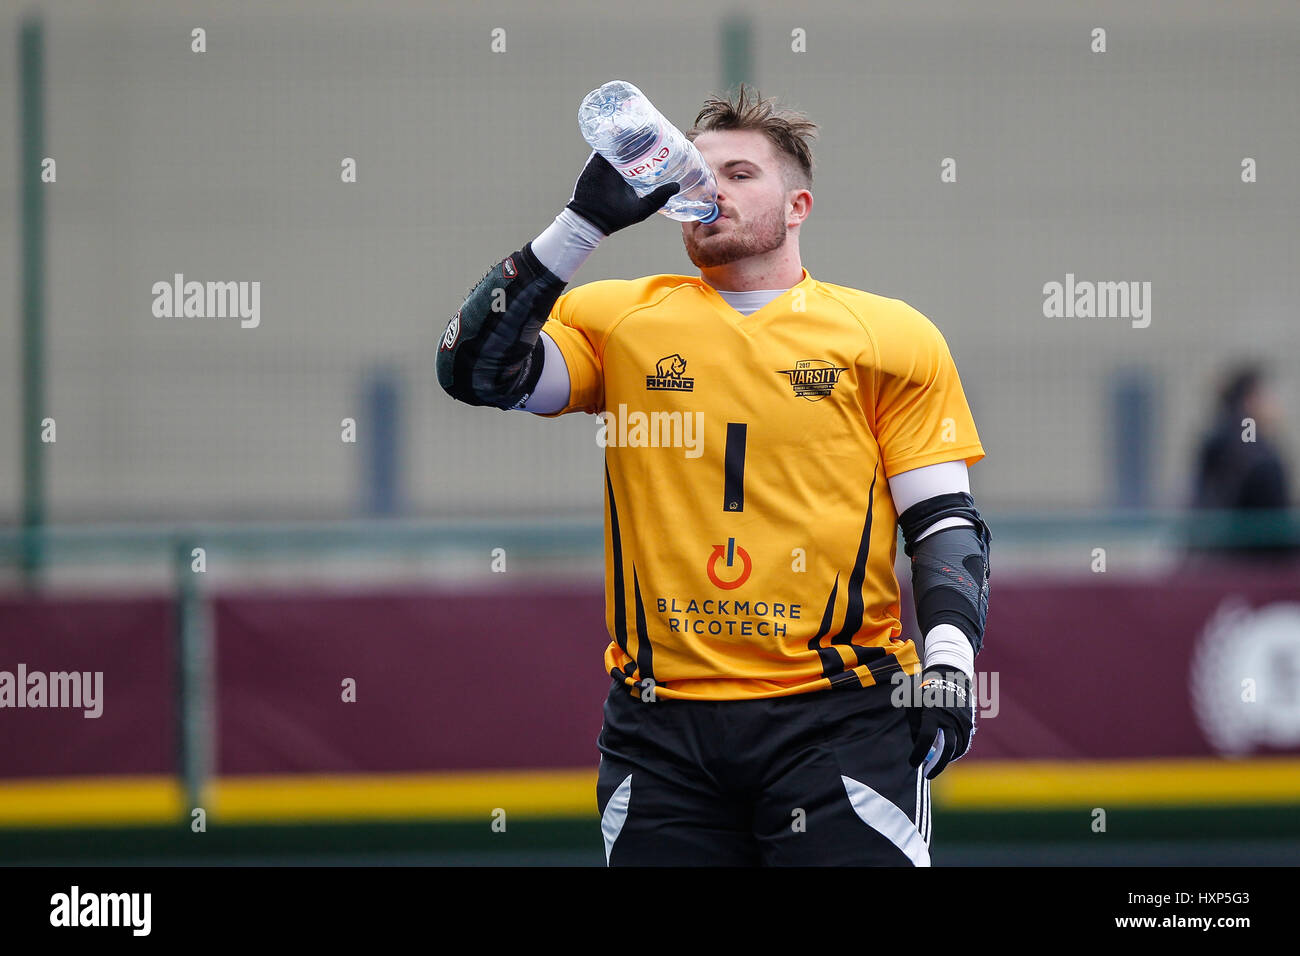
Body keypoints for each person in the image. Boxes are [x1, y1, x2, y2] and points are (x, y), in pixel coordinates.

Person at [437, 85, 991, 866]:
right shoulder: (617, 318)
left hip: (839, 718)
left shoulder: (888, 336)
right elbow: (473, 372)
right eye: (699, 172)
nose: (710, 190)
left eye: (738, 174)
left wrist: (949, 666)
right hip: (661, 732)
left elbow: (943, 523)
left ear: (797, 206)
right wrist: (580, 225)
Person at [1189, 363, 1295, 558]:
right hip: (1250, 566)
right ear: (1251, 400)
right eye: (1270, 396)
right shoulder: (1256, 453)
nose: (1277, 405)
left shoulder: (1222, 438)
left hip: (1218, 564)